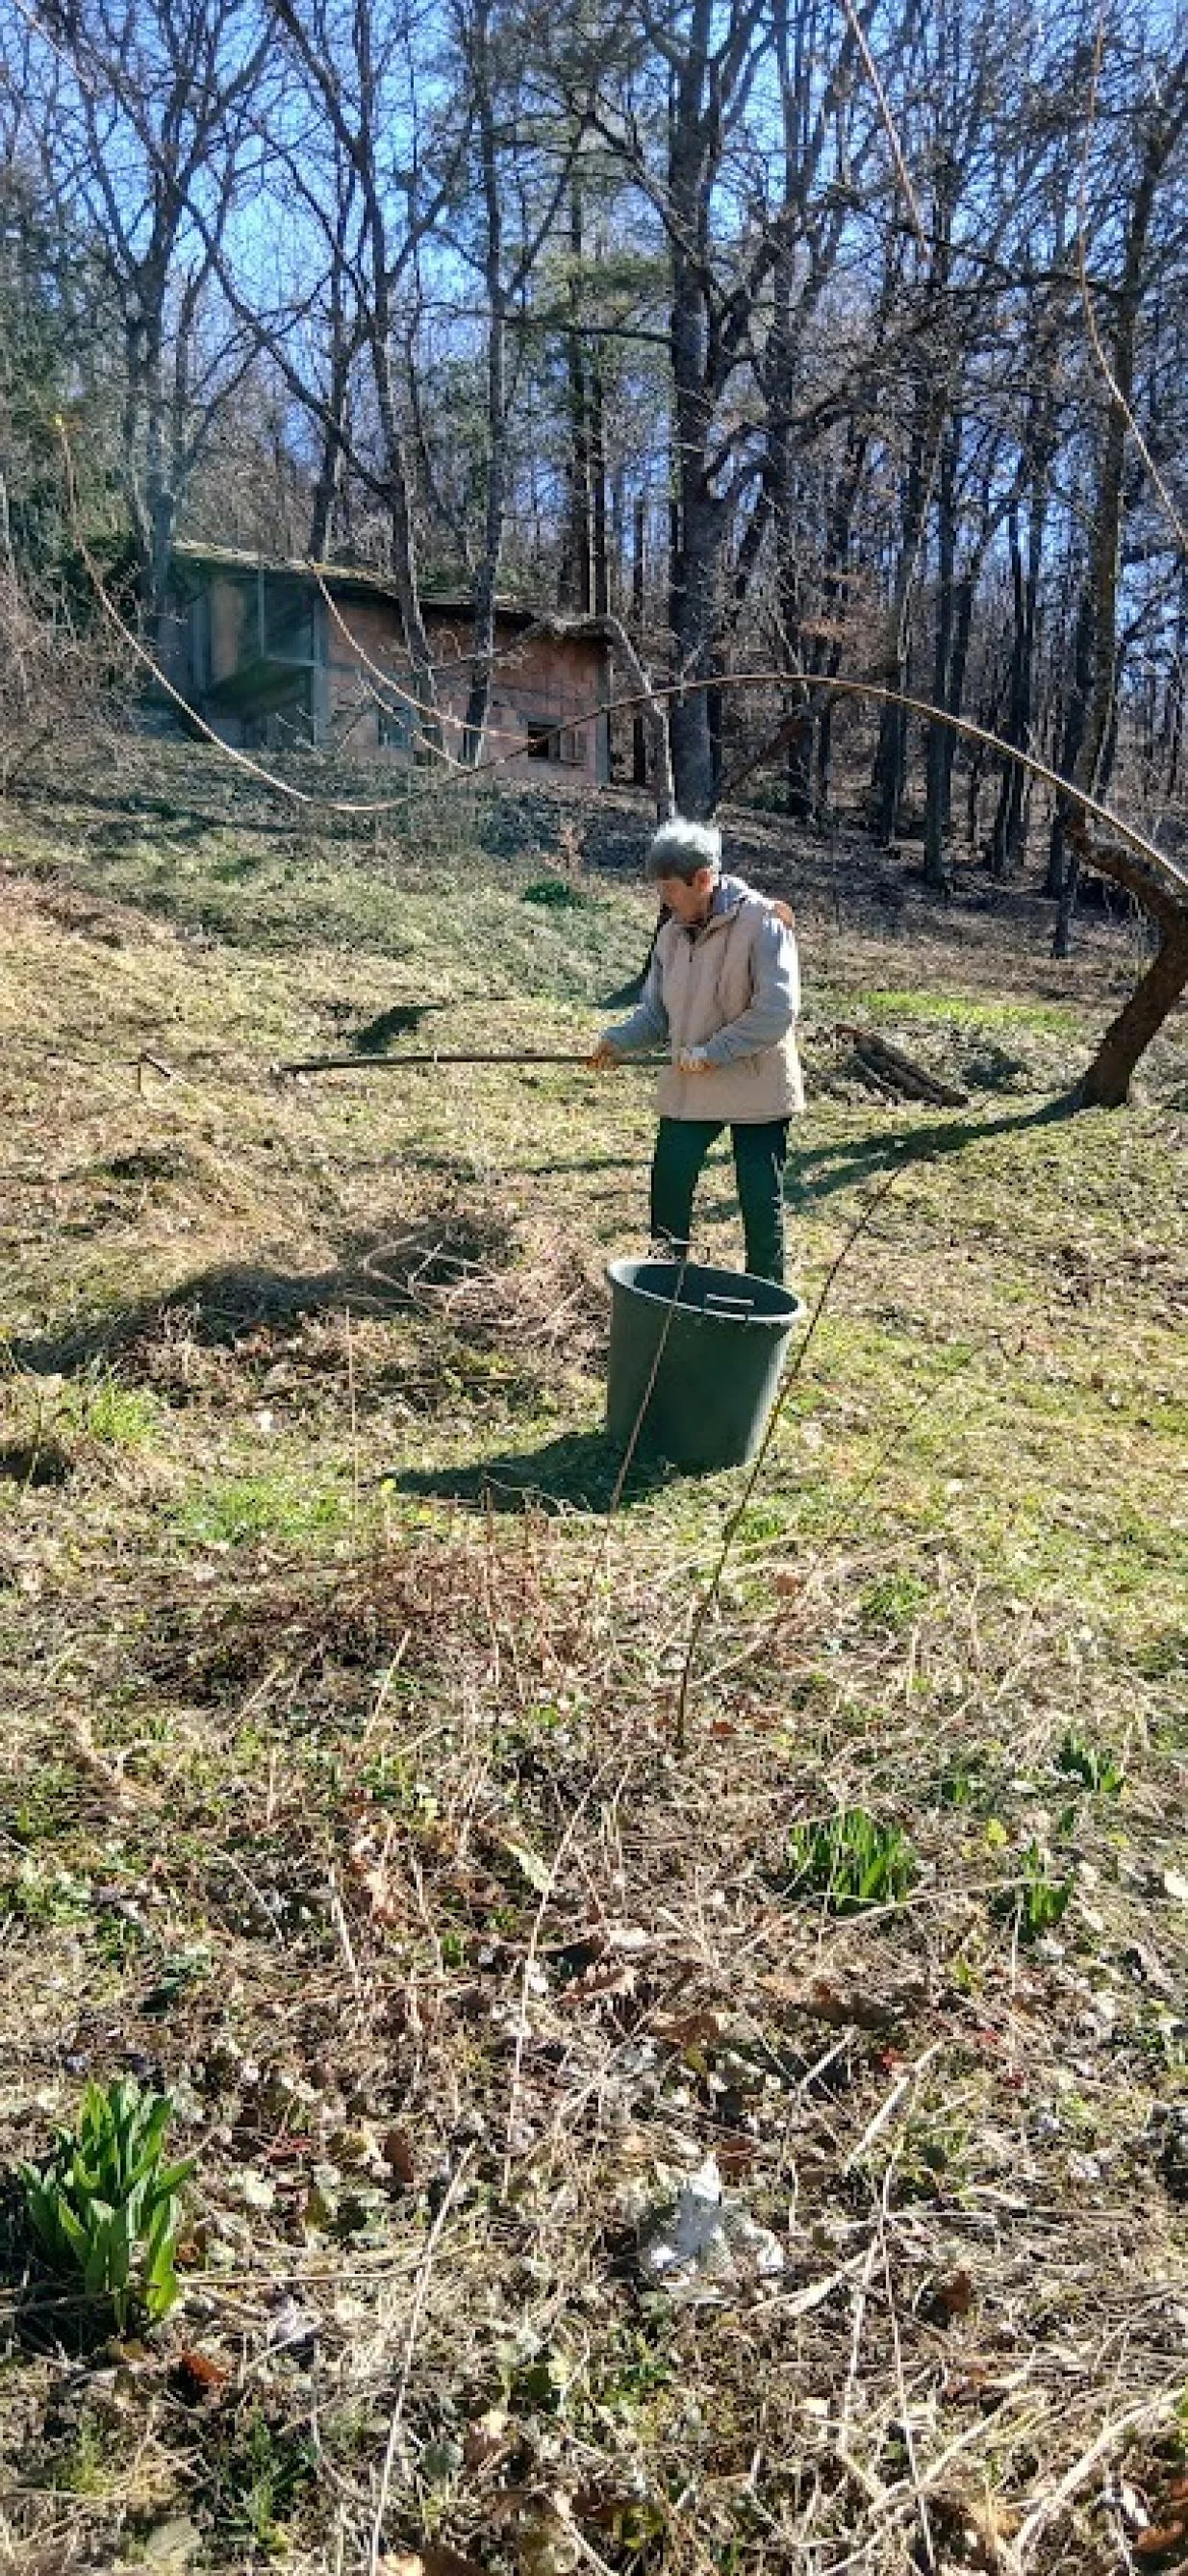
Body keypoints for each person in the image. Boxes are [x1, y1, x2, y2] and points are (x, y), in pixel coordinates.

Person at [590, 817, 803, 1284]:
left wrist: (716, 1050)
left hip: (756, 1085)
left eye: (670, 890)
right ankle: (665, 1286)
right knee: (669, 1183)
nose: (664, 901)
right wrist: (619, 1040)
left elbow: (777, 1009)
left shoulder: (763, 922)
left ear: (703, 879)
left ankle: (763, 1302)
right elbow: (657, 1015)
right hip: (693, 1084)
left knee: (759, 1199)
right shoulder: (669, 937)